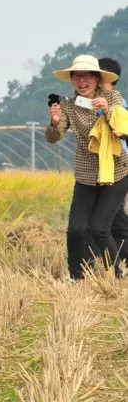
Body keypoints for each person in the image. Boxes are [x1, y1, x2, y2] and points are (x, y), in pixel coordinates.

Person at [48, 55, 128, 280]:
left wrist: (108, 110)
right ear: (72, 80)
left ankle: (114, 276)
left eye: (87, 76)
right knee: (76, 229)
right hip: (86, 174)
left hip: (116, 171)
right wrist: (54, 123)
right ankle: (76, 276)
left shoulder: (111, 96)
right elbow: (54, 137)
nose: (82, 81)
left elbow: (123, 127)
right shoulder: (68, 106)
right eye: (77, 76)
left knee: (99, 227)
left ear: (97, 78)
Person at [96, 57, 128, 266]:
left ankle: (120, 258)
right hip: (104, 168)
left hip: (119, 167)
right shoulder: (99, 101)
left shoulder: (117, 105)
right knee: (114, 216)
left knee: (113, 217)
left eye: (95, 74)